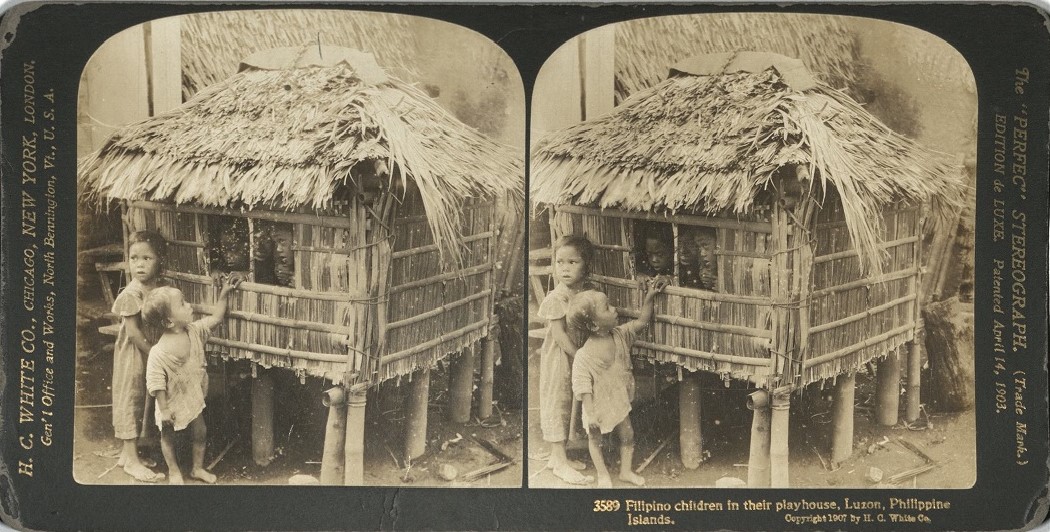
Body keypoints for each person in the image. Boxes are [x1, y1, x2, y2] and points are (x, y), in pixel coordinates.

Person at [141, 274, 242, 484]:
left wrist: (223, 293)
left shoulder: (194, 331)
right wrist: (165, 409)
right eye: (182, 304)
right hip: (169, 402)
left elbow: (216, 318)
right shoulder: (158, 353)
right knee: (168, 438)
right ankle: (174, 471)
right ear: (169, 321)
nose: (189, 305)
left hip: (192, 397)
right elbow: (156, 383)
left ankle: (197, 468)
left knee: (200, 432)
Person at [566, 279, 666, 487]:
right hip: (596, 407)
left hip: (618, 400)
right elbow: (582, 387)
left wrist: (649, 297)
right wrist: (591, 413)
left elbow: (641, 323)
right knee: (596, 441)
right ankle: (603, 474)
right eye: (607, 308)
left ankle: (625, 471)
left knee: (628, 435)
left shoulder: (620, 335)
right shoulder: (584, 357)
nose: (614, 309)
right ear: (594, 324)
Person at [537, 235, 596, 485]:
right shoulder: (556, 298)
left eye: (572, 262)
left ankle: (557, 457)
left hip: (576, 354)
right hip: (560, 357)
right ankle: (559, 460)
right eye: (560, 262)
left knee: (571, 400)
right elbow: (559, 336)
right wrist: (579, 355)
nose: (565, 268)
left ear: (586, 266)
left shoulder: (583, 292)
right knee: (557, 401)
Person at [110, 230, 167, 482]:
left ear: (159, 261)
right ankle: (131, 460)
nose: (140, 264)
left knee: (143, 397)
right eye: (134, 259)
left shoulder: (154, 287)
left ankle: (128, 454)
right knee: (130, 398)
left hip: (146, 350)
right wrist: (155, 353)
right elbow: (133, 333)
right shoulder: (131, 293)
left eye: (147, 258)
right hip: (133, 353)